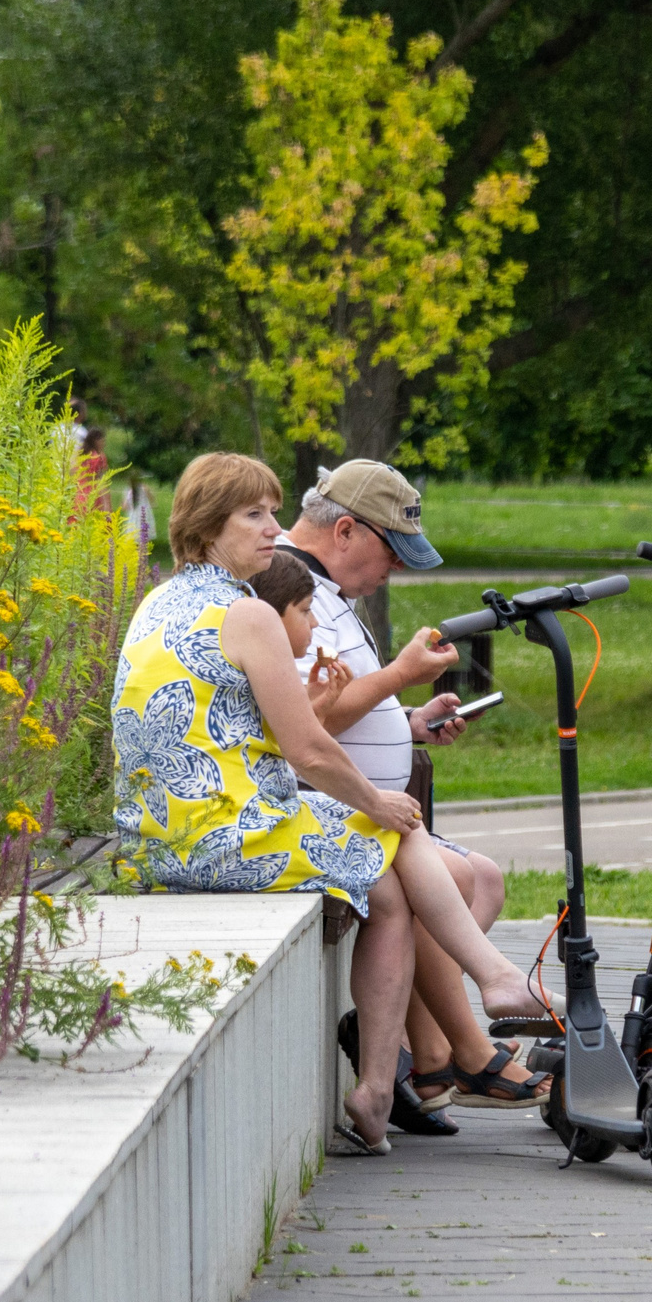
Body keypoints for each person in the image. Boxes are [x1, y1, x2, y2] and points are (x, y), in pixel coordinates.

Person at [110, 452, 556, 1154]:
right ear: (207, 525)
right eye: (253, 515)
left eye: (271, 511)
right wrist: (377, 799)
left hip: (161, 836)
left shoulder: (159, 601)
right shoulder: (247, 613)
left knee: (386, 881)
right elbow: (308, 750)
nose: (273, 528)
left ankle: (385, 1088)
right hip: (222, 836)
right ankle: (489, 985)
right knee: (399, 829)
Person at [276, 459, 544, 1133]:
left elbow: (340, 703)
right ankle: (448, 1053)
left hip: (358, 801)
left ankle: (425, 1053)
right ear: (345, 530)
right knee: (452, 882)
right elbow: (309, 723)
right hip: (327, 801)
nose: (391, 572)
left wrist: (407, 720)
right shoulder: (289, 590)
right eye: (390, 554)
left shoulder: (323, 589)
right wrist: (399, 673)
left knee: (477, 878)